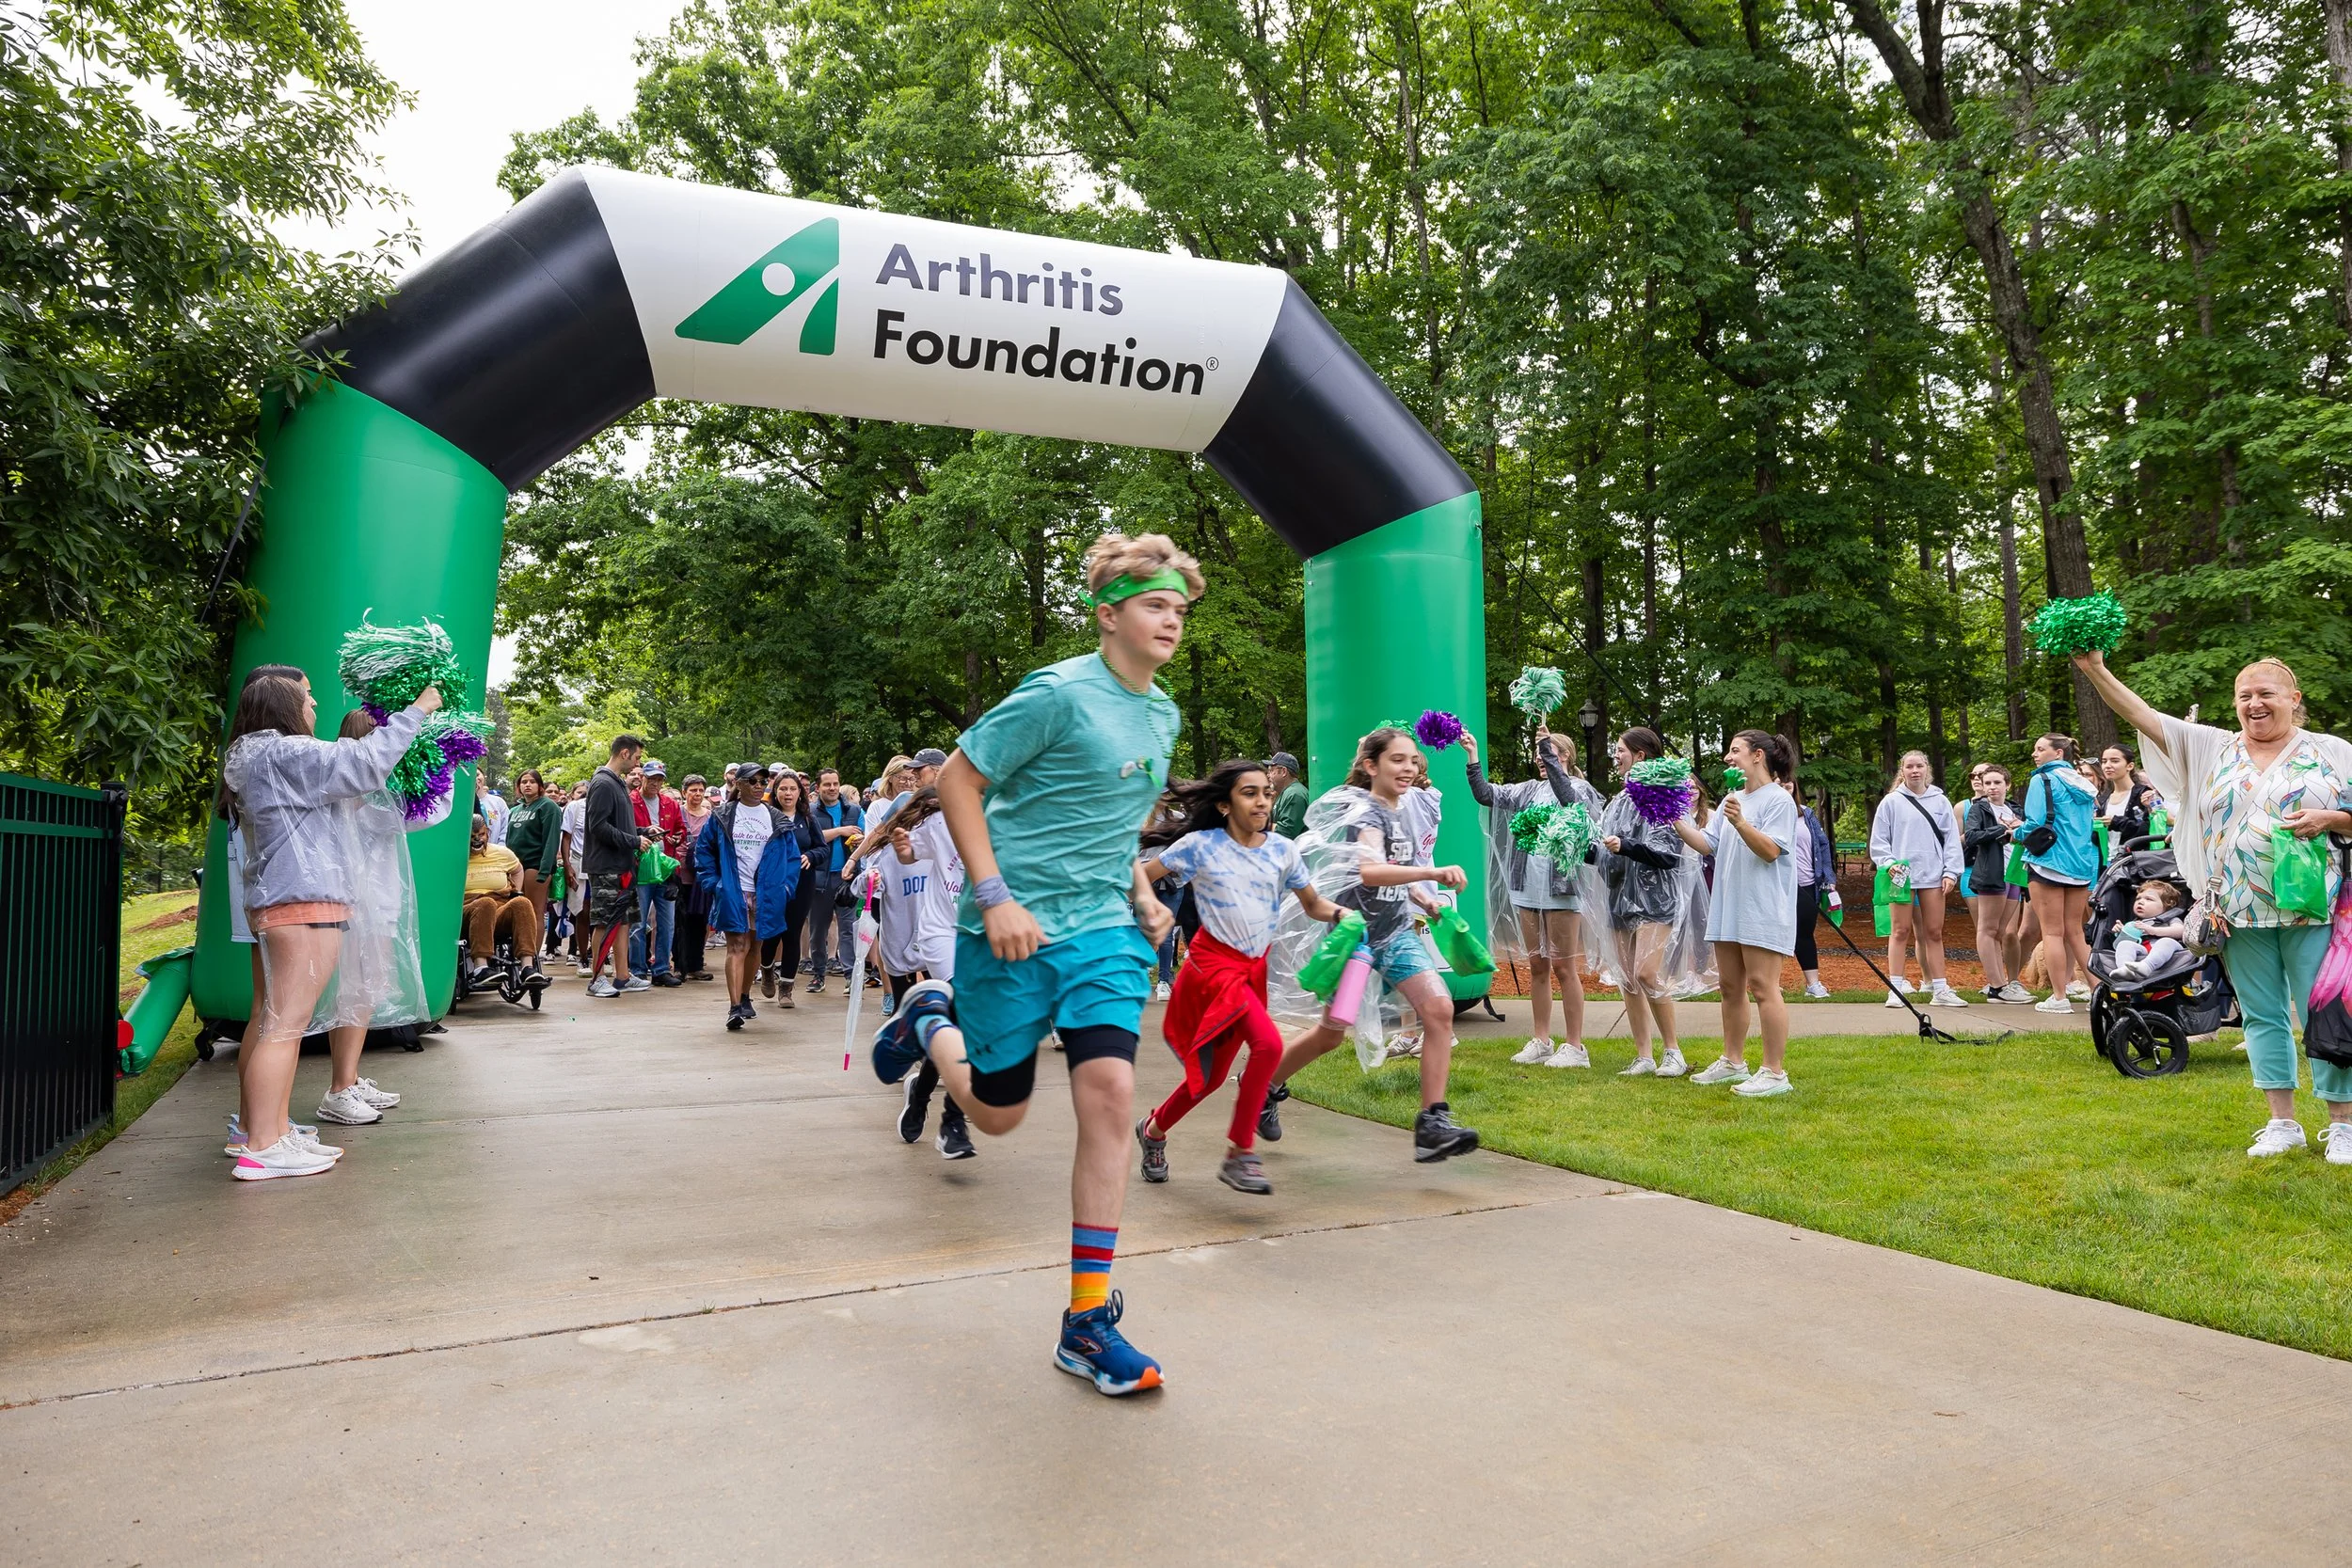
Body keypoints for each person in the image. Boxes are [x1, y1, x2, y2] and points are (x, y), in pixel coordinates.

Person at [866, 531, 1199, 1397]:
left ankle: (1086, 1323)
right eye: (1155, 605)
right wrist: (991, 895)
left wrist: (1141, 892)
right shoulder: (1055, 693)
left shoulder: (1161, 714)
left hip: (1099, 931)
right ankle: (928, 1019)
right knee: (999, 1114)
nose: (1171, 620)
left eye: (1178, 608)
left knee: (1112, 1093)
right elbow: (958, 784)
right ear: (1109, 614)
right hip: (1009, 924)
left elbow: (1108, 818)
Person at [2073, 651, 2352, 1160]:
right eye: (2245, 695)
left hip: (2316, 907)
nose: (2255, 703)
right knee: (2263, 1016)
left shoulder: (2332, 751)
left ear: (2294, 699)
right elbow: (2143, 716)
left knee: (2323, 1012)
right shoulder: (2214, 748)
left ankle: (2342, 1124)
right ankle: (2281, 1121)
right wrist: (2095, 668)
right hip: (2235, 910)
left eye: (2266, 693)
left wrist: (2332, 818)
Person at [216, 667, 439, 1178]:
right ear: (282, 706)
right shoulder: (286, 752)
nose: (315, 706)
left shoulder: (261, 756)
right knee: (284, 1025)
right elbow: (365, 762)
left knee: (279, 1021)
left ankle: (265, 1131)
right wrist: (419, 710)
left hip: (288, 901)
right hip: (302, 903)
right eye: (307, 697)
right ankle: (264, 1146)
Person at [1265, 726, 1482, 1160]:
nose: (1408, 767)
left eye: (1412, 760)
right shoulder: (1367, 812)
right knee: (1330, 1034)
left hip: (1397, 932)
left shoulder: (1403, 809)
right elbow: (1370, 871)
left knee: (1439, 1009)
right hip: (1359, 939)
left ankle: (1432, 1123)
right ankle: (1263, 1089)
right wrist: (1432, 876)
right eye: (1397, 760)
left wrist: (1426, 900)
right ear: (1371, 766)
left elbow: (1400, 868)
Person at [1134, 761, 1340, 1195]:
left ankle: (1152, 1130)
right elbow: (1142, 874)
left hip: (1252, 972)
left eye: (1267, 792)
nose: (1262, 800)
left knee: (1207, 1080)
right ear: (1225, 805)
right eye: (1250, 793)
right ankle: (1239, 1153)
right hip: (1212, 969)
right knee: (1267, 1044)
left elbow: (1313, 905)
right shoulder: (1200, 846)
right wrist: (1149, 907)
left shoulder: (1283, 850)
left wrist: (1343, 915)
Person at [1673, 731, 1799, 1096]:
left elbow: (1772, 851)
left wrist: (1742, 822)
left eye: (1735, 751)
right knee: (1730, 987)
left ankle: (1774, 1073)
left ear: (1758, 756)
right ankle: (1733, 1062)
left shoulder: (1777, 800)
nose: (1728, 757)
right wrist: (1674, 819)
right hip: (1728, 906)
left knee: (1763, 987)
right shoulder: (1733, 797)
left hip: (1762, 908)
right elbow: (1706, 845)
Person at [1462, 727, 1596, 1068]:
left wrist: (1545, 747)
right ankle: (1541, 1040)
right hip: (1527, 888)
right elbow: (1485, 795)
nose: (1539, 758)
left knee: (1565, 968)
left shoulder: (1580, 788)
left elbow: (1569, 800)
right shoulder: (1528, 791)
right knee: (1537, 964)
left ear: (1564, 756)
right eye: (1539, 753)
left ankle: (1576, 1046)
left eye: (1548, 752)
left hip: (1562, 889)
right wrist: (1473, 756)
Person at [1596, 727, 1706, 1077]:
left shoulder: (1663, 797)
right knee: (1627, 978)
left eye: (1620, 750)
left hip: (1656, 900)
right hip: (1619, 895)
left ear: (1640, 755)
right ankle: (1643, 1055)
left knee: (1646, 972)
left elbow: (1669, 856)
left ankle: (1673, 1051)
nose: (1615, 755)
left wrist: (1624, 846)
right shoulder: (1618, 802)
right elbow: (1602, 852)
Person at [873, 785, 974, 1158]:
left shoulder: (1017, 826)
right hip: (942, 933)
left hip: (984, 938)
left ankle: (920, 1094)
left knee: (963, 1025)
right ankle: (953, 1124)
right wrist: (904, 849)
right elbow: (911, 851)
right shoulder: (942, 821)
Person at [695, 764, 803, 1031]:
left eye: (763, 781)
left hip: (766, 893)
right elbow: (704, 852)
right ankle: (734, 1007)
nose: (759, 786)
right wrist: (714, 883)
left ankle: (745, 997)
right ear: (738, 784)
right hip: (733, 888)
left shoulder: (776, 817)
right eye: (753, 781)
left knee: (756, 946)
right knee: (737, 946)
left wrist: (786, 888)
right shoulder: (722, 816)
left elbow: (792, 858)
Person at [1869, 751, 1969, 1009]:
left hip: (1933, 874)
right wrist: (1889, 864)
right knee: (1900, 931)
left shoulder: (1940, 801)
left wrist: (1950, 872)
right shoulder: (1891, 802)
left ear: (1927, 769)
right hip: (1900, 874)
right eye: (1909, 767)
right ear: (1902, 771)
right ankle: (1896, 988)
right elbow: (1880, 840)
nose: (1915, 771)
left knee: (1933, 932)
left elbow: (1950, 841)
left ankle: (1940, 988)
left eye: (1919, 766)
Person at [2015, 733, 2099, 1014]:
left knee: (2051, 932)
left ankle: (2059, 997)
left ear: (2059, 753)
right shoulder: (2084, 783)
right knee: (2076, 932)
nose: (2035, 754)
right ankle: (2098, 993)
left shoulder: (2042, 780)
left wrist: (2015, 831)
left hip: (2049, 861)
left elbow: (2035, 822)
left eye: (2040, 749)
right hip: (2080, 863)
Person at [582, 735, 654, 999]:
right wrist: (634, 840)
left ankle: (622, 976)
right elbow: (598, 827)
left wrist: (643, 831)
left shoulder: (617, 784)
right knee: (605, 922)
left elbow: (618, 826)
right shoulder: (602, 783)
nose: (638, 763)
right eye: (637, 757)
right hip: (606, 866)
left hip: (623, 864)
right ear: (624, 753)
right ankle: (597, 977)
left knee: (622, 921)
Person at [1962, 764, 2032, 1003]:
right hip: (1991, 873)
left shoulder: (2015, 809)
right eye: (1988, 783)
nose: (1992, 787)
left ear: (2007, 785)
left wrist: (2020, 828)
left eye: (1997, 783)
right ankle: (1996, 985)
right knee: (1987, 929)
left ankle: (2004, 984)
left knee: (2002, 931)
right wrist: (1999, 829)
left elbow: (2030, 833)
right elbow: (1971, 837)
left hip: (2014, 873)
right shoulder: (1979, 809)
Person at [751, 768, 821, 1006]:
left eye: (793, 788)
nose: (788, 793)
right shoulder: (766, 816)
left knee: (792, 932)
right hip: (773, 883)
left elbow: (822, 848)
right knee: (773, 931)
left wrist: (810, 855)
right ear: (775, 791)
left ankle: (787, 989)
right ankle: (767, 968)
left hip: (802, 882)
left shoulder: (808, 819)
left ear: (800, 791)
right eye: (783, 789)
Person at [805, 768, 865, 993]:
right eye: (827, 784)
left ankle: (850, 975)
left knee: (848, 928)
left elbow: (864, 837)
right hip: (819, 878)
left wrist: (858, 840)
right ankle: (819, 974)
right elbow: (813, 839)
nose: (832, 788)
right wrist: (840, 831)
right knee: (818, 930)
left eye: (835, 784)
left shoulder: (854, 809)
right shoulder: (810, 812)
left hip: (846, 878)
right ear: (818, 788)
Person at [462, 815, 540, 978]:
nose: (477, 840)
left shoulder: (502, 853)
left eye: (481, 835)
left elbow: (518, 869)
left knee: (522, 902)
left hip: (499, 905)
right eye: (472, 837)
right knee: (486, 903)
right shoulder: (455, 855)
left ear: (487, 833)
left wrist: (516, 889)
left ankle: (527, 967)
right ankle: (481, 968)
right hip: (468, 908)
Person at [504, 769, 562, 958]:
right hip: (514, 866)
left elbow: (551, 840)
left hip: (535, 865)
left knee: (534, 910)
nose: (527, 785)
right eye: (523, 782)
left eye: (532, 782)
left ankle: (532, 957)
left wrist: (545, 870)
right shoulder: (514, 810)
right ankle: (517, 953)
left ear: (540, 786)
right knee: (517, 911)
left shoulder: (548, 807)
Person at [1788, 772, 1836, 1000]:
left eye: (1789, 780)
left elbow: (1823, 844)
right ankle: (1768, 983)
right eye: (1777, 781)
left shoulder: (1806, 814)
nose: (1784, 785)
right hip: (1778, 886)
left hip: (1807, 884)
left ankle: (1813, 984)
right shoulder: (1766, 814)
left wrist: (1828, 878)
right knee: (1773, 934)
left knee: (1805, 933)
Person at [675, 774, 717, 981]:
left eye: (700, 790)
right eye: (693, 790)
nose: (697, 794)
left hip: (702, 875)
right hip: (679, 872)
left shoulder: (710, 815)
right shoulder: (677, 812)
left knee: (700, 920)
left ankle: (696, 964)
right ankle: (678, 965)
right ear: (684, 792)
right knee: (679, 920)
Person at [2109, 879, 2190, 981]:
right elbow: (2130, 939)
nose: (2141, 902)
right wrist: (2121, 931)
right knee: (2124, 944)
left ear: (2168, 904)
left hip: (2170, 952)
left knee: (2166, 942)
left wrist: (2154, 930)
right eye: (2138, 898)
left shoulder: (2171, 919)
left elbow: (2181, 931)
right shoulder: (2137, 922)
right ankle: (2125, 969)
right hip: (2143, 950)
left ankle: (2147, 966)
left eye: (2149, 899)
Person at [2095, 742, 2162, 858]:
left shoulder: (2143, 794)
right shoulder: (2103, 799)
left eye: (2115, 761)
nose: (2107, 765)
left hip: (2134, 861)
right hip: (2107, 863)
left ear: (2129, 766)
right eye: (2104, 761)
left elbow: (2148, 829)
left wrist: (2115, 822)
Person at [1267, 752, 1308, 839]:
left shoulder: (1294, 794)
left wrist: (1260, 825)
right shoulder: (1286, 793)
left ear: (1284, 771)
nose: (1268, 775)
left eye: (1271, 771)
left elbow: (1286, 832)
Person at [476, 772, 509, 847]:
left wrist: (500, 848)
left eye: (477, 775)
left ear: (484, 777)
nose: (475, 778)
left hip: (495, 852)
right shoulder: (463, 803)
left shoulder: (498, 802)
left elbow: (506, 826)